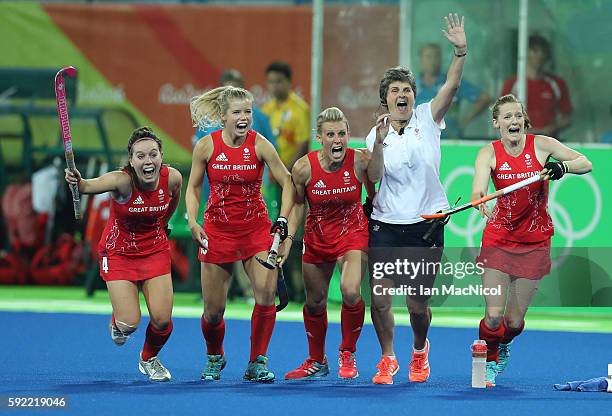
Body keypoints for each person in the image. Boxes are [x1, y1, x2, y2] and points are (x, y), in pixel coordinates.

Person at [366, 13, 468, 385]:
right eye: (394, 90)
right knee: (379, 300)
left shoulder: (428, 117)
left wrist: (459, 51)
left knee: (417, 305)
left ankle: (420, 351)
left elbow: (451, 88)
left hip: (426, 225)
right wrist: (377, 144)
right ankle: (387, 358)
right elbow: (374, 178)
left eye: (406, 89)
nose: (402, 94)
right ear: (385, 100)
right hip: (386, 225)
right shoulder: (374, 135)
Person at [472, 93, 592, 387]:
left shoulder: (542, 145)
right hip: (499, 238)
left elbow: (585, 163)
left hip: (535, 241)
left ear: (524, 120)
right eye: (508, 116)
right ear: (496, 123)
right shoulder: (488, 153)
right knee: (493, 316)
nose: (514, 121)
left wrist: (562, 168)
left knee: (512, 324)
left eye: (518, 116)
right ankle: (487, 362)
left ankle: (503, 345)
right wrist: (478, 199)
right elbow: (478, 189)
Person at [186, 86, 295, 383]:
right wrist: (193, 222)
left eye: (248, 111)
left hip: (255, 230)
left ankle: (257, 362)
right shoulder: (206, 147)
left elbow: (288, 182)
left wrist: (283, 221)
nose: (244, 117)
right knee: (212, 312)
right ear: (223, 117)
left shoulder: (260, 145)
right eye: (237, 112)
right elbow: (194, 187)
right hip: (217, 232)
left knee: (266, 295)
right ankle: (214, 356)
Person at [64, 126, 182, 382]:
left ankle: (149, 358)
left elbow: (173, 199)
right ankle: (119, 317)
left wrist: (163, 224)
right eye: (140, 156)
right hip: (118, 252)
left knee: (162, 321)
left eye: (153, 154)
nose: (147, 161)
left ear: (161, 156)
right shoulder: (122, 180)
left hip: (155, 249)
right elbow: (87, 186)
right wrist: (77, 180)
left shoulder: (172, 178)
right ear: (131, 160)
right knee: (128, 324)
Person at [281, 107, 384, 380]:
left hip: (353, 234)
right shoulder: (303, 168)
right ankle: (316, 361)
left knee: (350, 291)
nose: (337, 140)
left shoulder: (360, 161)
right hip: (317, 239)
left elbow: (376, 185)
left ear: (349, 135)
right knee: (315, 303)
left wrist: (379, 142)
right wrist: (290, 239)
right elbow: (298, 207)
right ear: (319, 138)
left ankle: (347, 352)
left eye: (341, 134)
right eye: (330, 135)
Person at [501, 34, 572, 138]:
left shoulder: (556, 84)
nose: (539, 55)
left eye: (543, 52)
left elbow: (567, 118)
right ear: (525, 53)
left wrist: (549, 129)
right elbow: (502, 115)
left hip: (549, 142)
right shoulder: (512, 83)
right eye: (534, 51)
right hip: (518, 143)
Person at [416, 43, 491, 139]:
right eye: (428, 57)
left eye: (436, 56)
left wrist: (465, 121)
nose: (433, 61)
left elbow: (484, 98)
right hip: (421, 141)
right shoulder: (412, 86)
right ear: (421, 60)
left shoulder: (451, 82)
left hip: (450, 140)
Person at [262, 61, 310, 170]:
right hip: (269, 172)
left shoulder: (300, 109)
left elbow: (303, 144)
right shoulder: (266, 109)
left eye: (278, 81)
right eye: (271, 82)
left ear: (289, 82)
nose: (274, 86)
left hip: (290, 170)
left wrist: (287, 171)